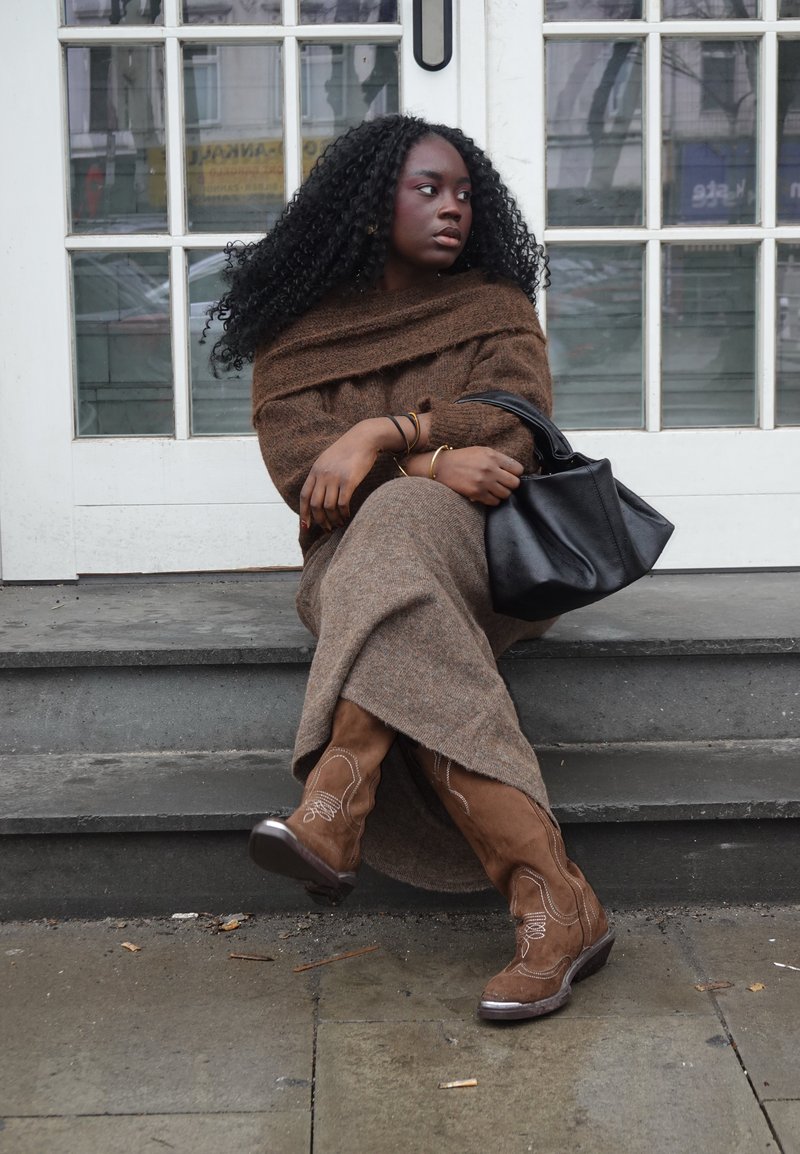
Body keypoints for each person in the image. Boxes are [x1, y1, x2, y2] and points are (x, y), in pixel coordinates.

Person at [210, 114, 614, 1021]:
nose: (453, 210)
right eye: (427, 190)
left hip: (496, 561)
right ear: (366, 207)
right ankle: (556, 902)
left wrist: (385, 433)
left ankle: (337, 798)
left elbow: (514, 429)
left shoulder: (494, 307)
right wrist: (431, 465)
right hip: (349, 564)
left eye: (465, 193)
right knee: (399, 554)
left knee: (399, 532)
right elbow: (301, 475)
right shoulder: (298, 329)